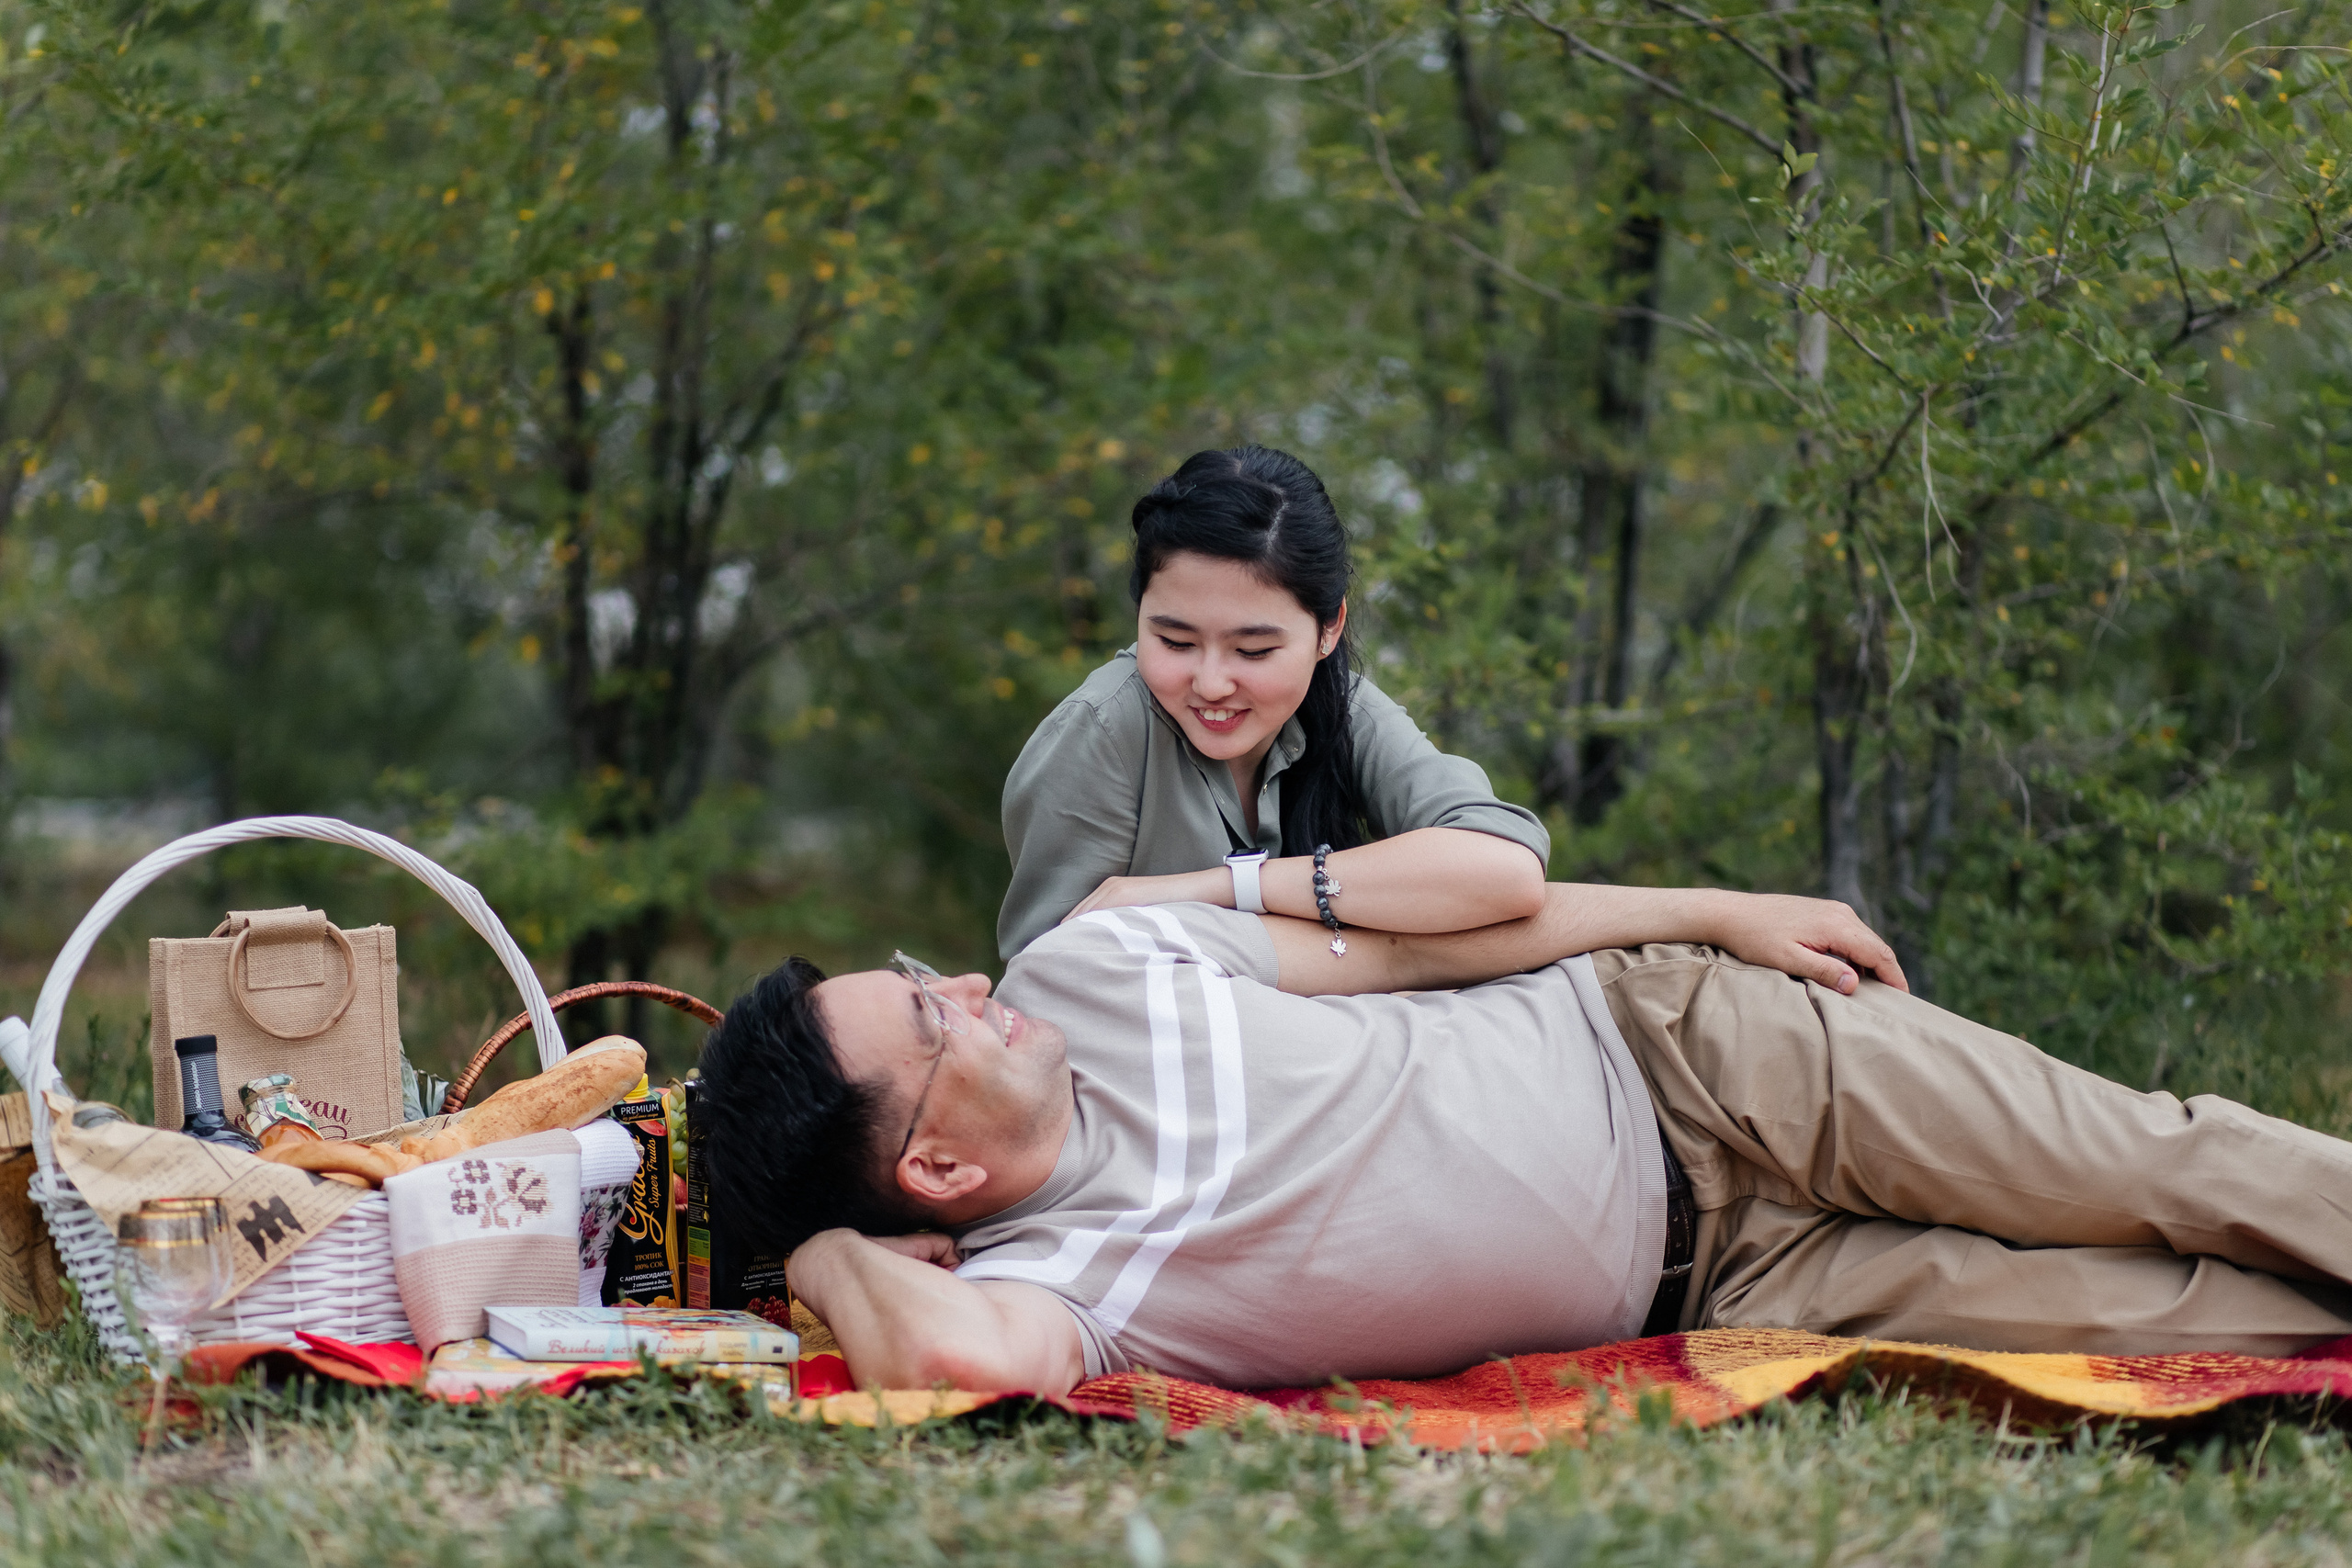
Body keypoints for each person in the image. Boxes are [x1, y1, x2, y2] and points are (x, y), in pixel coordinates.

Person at [696, 888, 2352, 1396]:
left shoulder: (1100, 959)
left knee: (2155, 1160)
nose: (969, 989)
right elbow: (943, 1368)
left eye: (928, 978)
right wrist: (831, 1255)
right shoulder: (1066, 1279)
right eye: (931, 1022)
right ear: (932, 1174)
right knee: (2165, 1322)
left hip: (1692, 1050)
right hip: (1730, 1276)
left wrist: (1723, 912)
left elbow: (1434, 943)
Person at [996, 444, 1554, 961]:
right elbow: (1048, 981)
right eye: (1175, 642)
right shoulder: (1099, 732)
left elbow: (1507, 870)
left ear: (1329, 629)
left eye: (1254, 650)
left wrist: (1224, 888)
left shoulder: (1340, 704)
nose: (1211, 683)